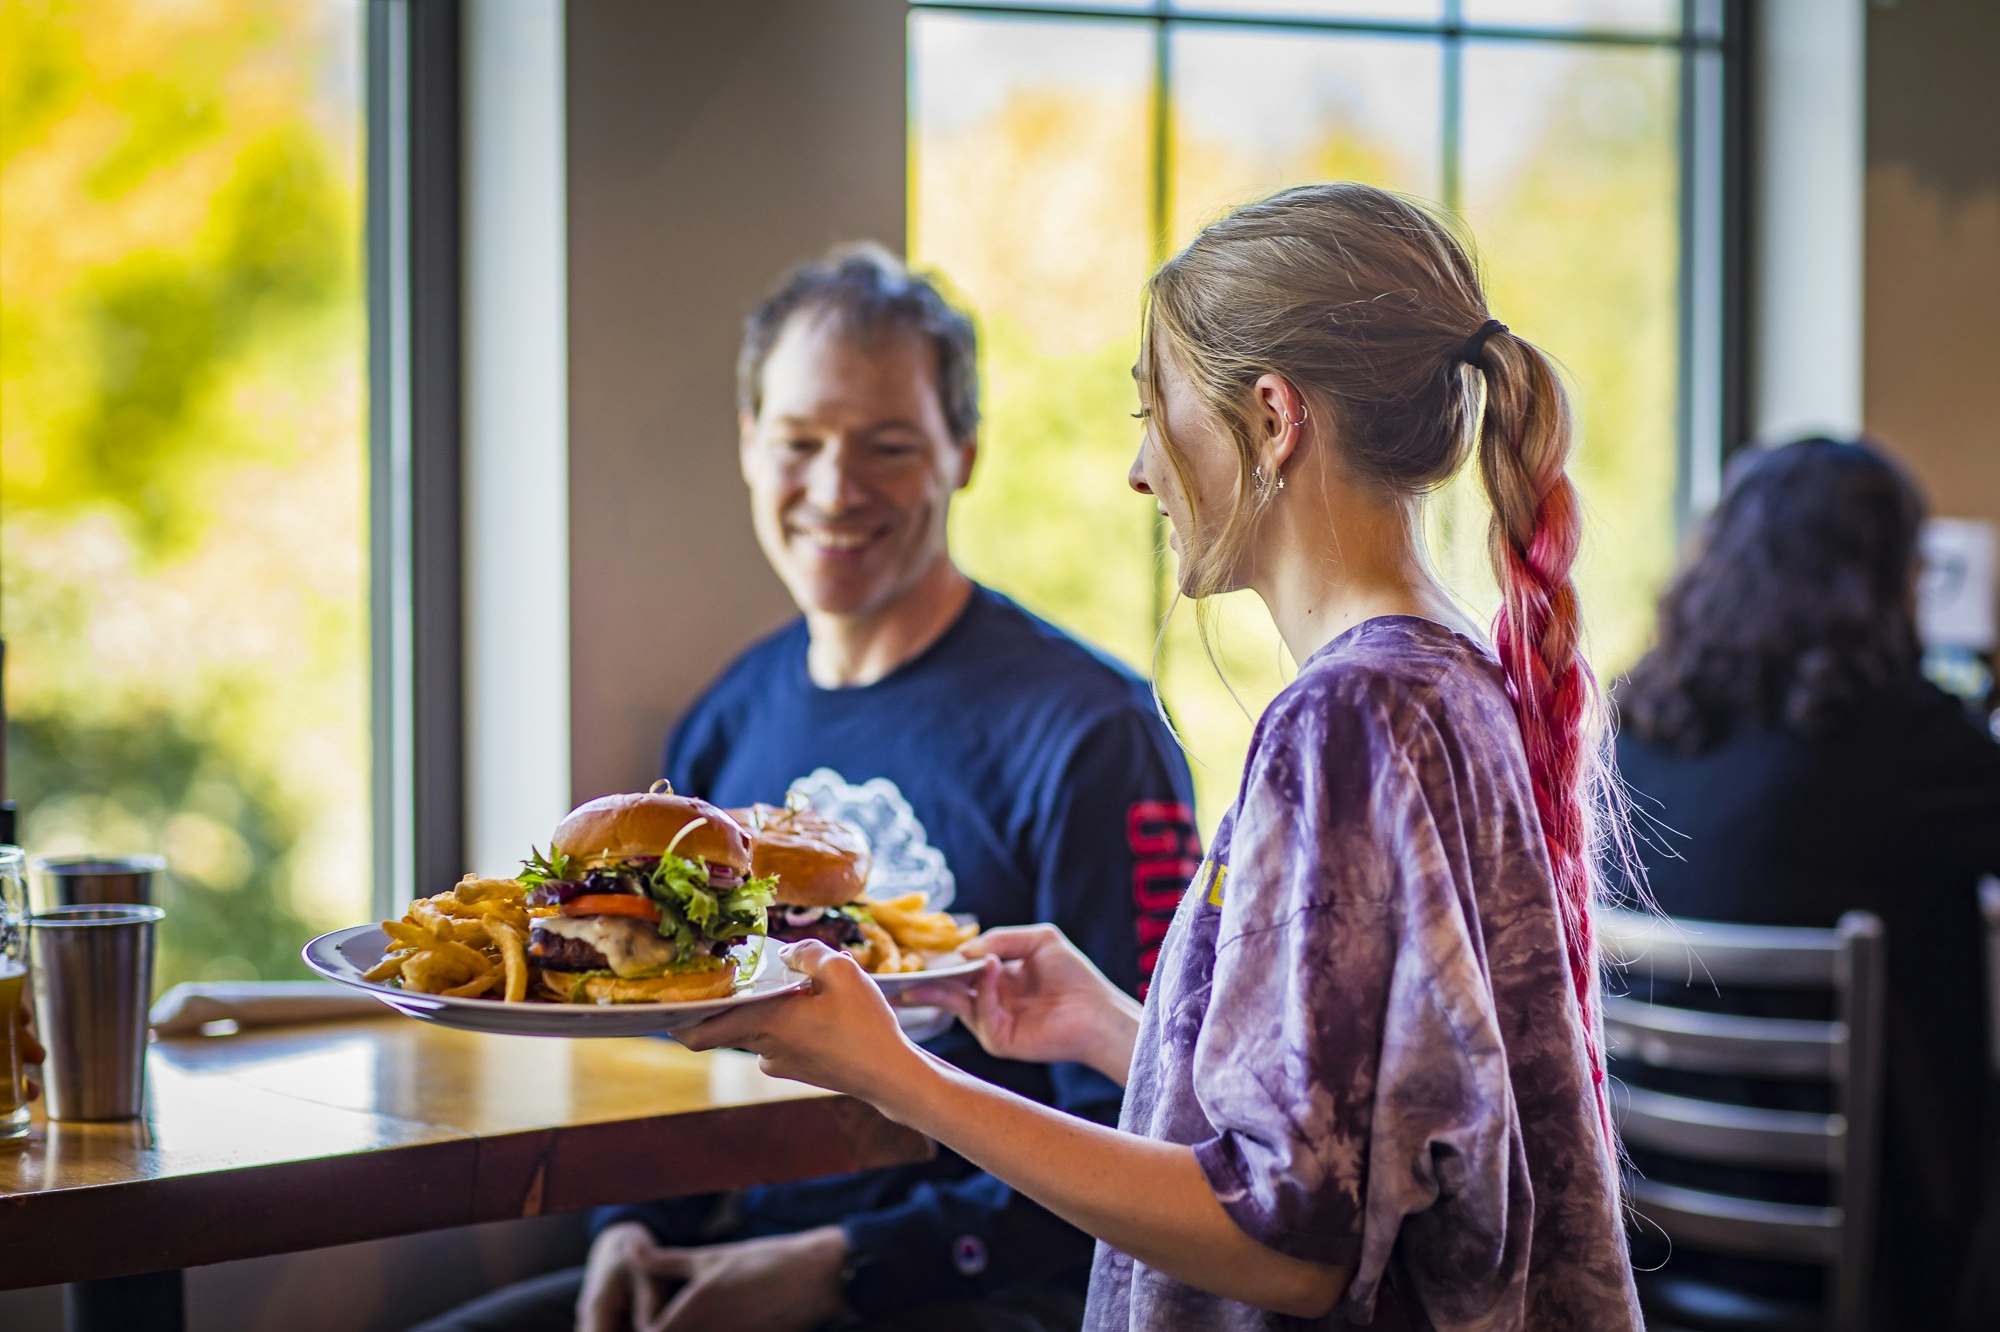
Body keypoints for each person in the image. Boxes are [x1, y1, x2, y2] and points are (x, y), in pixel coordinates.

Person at [679, 182, 1645, 1330]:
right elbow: (1359, 1141)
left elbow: (1288, 1248)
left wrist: (900, 1074)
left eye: (1157, 408)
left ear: (1272, 420)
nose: (1140, 468)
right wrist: (1113, 1032)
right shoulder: (1442, 683)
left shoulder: (1339, 722)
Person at [416, 247, 1198, 1332]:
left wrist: (841, 1265)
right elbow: (660, 1046)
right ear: (749, 446)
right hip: (724, 1250)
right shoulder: (729, 718)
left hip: (988, 1288)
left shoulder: (1092, 733)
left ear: (961, 453)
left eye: (885, 446)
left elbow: (1151, 1133)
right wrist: (629, 1229)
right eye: (797, 443)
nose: (835, 489)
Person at [1614, 436, 2000, 1331]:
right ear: (1880, 578)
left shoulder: (1633, 734)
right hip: (1881, 1248)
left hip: (1647, 1233)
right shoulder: (1903, 739)